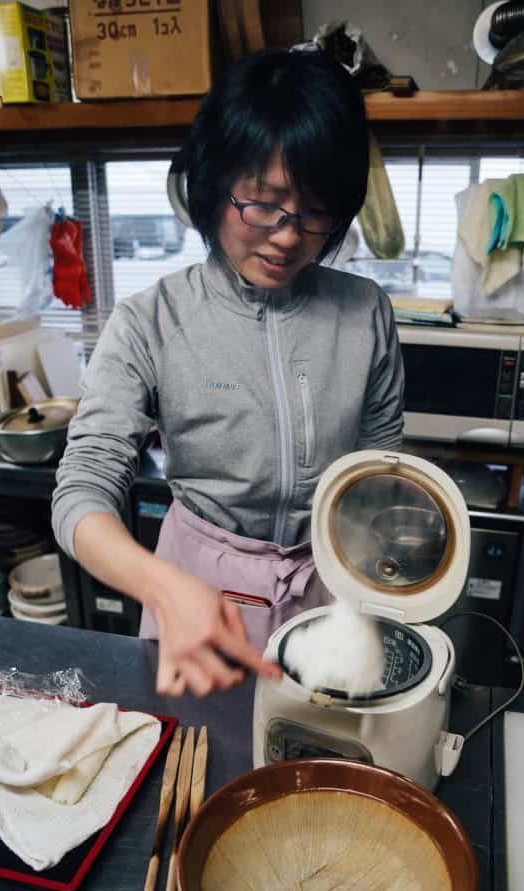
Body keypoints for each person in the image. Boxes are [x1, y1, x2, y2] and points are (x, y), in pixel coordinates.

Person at [51, 48, 404, 700]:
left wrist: (381, 576)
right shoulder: (150, 322)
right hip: (195, 601)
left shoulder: (365, 314)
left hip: (328, 602)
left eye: (314, 210)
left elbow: (380, 471)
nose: (286, 236)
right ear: (213, 186)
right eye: (263, 203)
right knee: (197, 778)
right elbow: (80, 495)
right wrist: (164, 587)